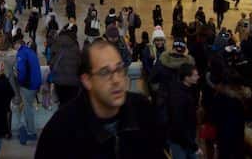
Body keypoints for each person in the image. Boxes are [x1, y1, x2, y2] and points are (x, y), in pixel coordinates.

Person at [35, 40, 166, 159]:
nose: (116, 80)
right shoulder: (60, 131)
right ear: (87, 80)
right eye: (105, 72)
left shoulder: (143, 110)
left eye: (119, 69)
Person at [168, 63, 201, 159]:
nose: (198, 77)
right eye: (195, 75)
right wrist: (193, 145)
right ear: (187, 77)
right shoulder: (179, 96)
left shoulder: (188, 89)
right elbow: (178, 122)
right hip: (180, 139)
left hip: (187, 137)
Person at [15, 33, 42, 145]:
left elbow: (21, 72)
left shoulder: (21, 54)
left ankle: (31, 132)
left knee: (27, 109)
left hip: (28, 85)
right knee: (28, 107)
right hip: (35, 83)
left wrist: (19, 81)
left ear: (17, 44)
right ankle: (28, 129)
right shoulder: (30, 51)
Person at [49, 29, 82, 106]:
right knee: (72, 103)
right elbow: (79, 64)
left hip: (59, 82)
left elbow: (51, 63)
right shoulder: (75, 46)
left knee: (62, 103)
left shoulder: (55, 45)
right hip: (73, 82)